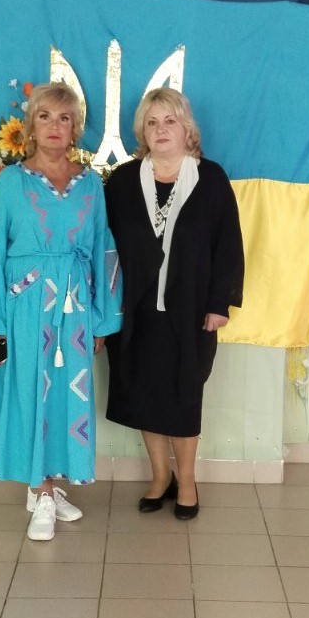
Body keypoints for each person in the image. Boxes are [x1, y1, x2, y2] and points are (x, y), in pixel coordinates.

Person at [0, 82, 122, 542]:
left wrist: (101, 318)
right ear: (31, 127)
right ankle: (40, 492)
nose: (55, 126)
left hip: (75, 309)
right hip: (27, 306)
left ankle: (50, 486)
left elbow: (103, 249)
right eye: (45, 117)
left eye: (64, 118)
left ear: (75, 128)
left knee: (67, 398)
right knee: (31, 392)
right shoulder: (11, 182)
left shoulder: (90, 184)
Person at [104, 87, 244, 520]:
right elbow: (104, 248)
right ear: (142, 133)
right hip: (135, 311)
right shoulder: (122, 181)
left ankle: (186, 482)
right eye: (152, 123)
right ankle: (160, 477)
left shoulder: (211, 178)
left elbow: (228, 246)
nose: (161, 129)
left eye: (169, 121)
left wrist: (219, 303)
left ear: (187, 129)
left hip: (191, 311)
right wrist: (104, 306)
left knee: (184, 395)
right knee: (145, 394)